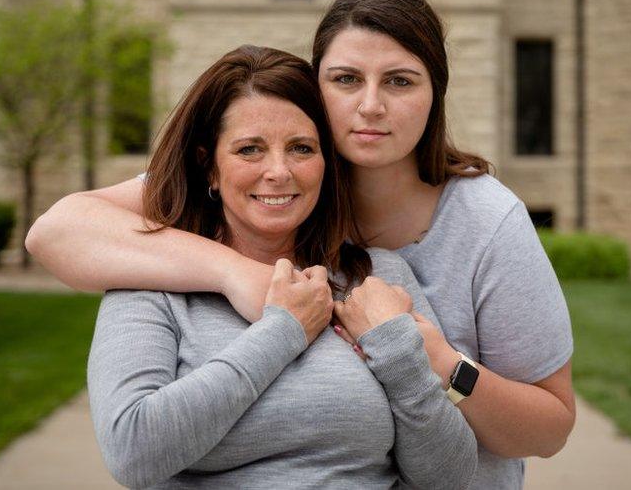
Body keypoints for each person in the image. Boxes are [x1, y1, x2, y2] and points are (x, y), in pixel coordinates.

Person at [29, 0, 574, 489]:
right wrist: (246, 281)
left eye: (401, 81)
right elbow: (57, 230)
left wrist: (430, 356)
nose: (370, 106)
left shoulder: (473, 225)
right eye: (345, 79)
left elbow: (543, 430)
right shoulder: (236, 181)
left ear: (437, 94)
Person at [86, 44, 477, 488]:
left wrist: (397, 352)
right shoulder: (152, 280)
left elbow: (451, 476)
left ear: (326, 164)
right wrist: (282, 331)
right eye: (250, 149)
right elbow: (131, 453)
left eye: (301, 148)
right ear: (208, 167)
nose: (279, 171)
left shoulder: (377, 278)